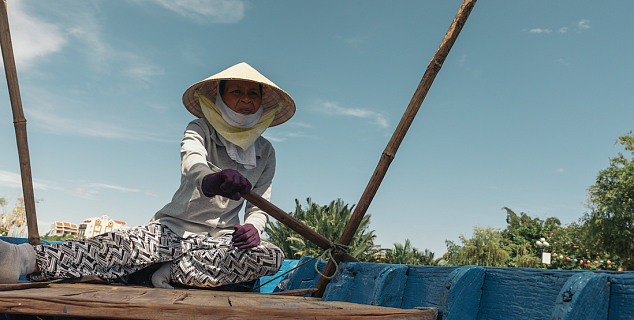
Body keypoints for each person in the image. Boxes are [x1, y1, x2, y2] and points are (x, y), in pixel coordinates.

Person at [0, 62, 295, 289]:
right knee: (119, 246)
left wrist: (254, 227)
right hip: (173, 231)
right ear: (219, 96)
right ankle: (22, 259)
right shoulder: (200, 129)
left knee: (271, 256)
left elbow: (259, 205)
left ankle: (172, 271)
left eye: (252, 94)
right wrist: (211, 180)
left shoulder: (265, 151)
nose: (246, 99)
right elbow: (192, 164)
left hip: (221, 241)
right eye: (237, 91)